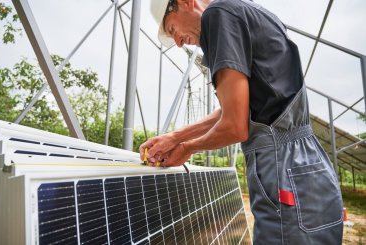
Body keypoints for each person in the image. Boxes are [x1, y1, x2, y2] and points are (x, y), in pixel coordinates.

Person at [141, 0, 344, 243]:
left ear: (186, 2)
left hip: (283, 169)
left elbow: (235, 126)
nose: (178, 42)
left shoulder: (216, 15)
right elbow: (238, 108)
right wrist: (175, 137)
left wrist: (186, 148)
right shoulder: (247, 11)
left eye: (172, 29)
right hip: (309, 169)